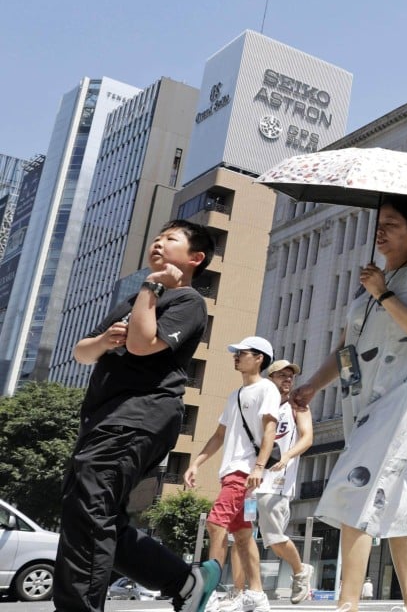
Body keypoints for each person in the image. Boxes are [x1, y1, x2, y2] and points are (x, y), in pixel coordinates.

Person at [291, 195, 407, 612]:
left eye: (392, 224)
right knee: (397, 505)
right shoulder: (366, 290)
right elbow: (345, 350)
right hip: (361, 398)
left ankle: (347, 603)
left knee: (353, 484)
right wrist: (311, 386)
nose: (380, 231)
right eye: (379, 223)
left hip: (404, 392)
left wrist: (383, 293)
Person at [54, 220, 221, 612]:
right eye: (158, 237)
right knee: (92, 513)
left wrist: (151, 286)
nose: (159, 243)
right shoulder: (133, 302)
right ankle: (183, 580)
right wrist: (103, 341)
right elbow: (81, 352)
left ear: (195, 258)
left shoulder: (187, 301)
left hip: (140, 415)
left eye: (171, 239)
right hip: (104, 418)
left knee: (90, 510)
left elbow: (145, 345)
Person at [185, 336, 279, 612]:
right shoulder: (235, 395)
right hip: (231, 473)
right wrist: (196, 463)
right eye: (235, 353)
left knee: (216, 524)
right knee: (241, 535)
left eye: (242, 353)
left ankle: (210, 593)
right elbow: (219, 435)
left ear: (259, 357)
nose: (236, 357)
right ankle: (258, 595)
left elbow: (270, 431)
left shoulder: (267, 389)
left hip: (244, 472)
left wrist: (259, 467)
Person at [257, 360, 315, 604]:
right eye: (282, 375)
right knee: (240, 536)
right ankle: (246, 590)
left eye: (291, 376)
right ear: (270, 377)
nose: (288, 379)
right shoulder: (260, 403)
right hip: (251, 478)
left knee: (273, 538)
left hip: (277, 482)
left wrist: (288, 456)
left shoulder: (297, 406)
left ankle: (300, 571)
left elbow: (308, 437)